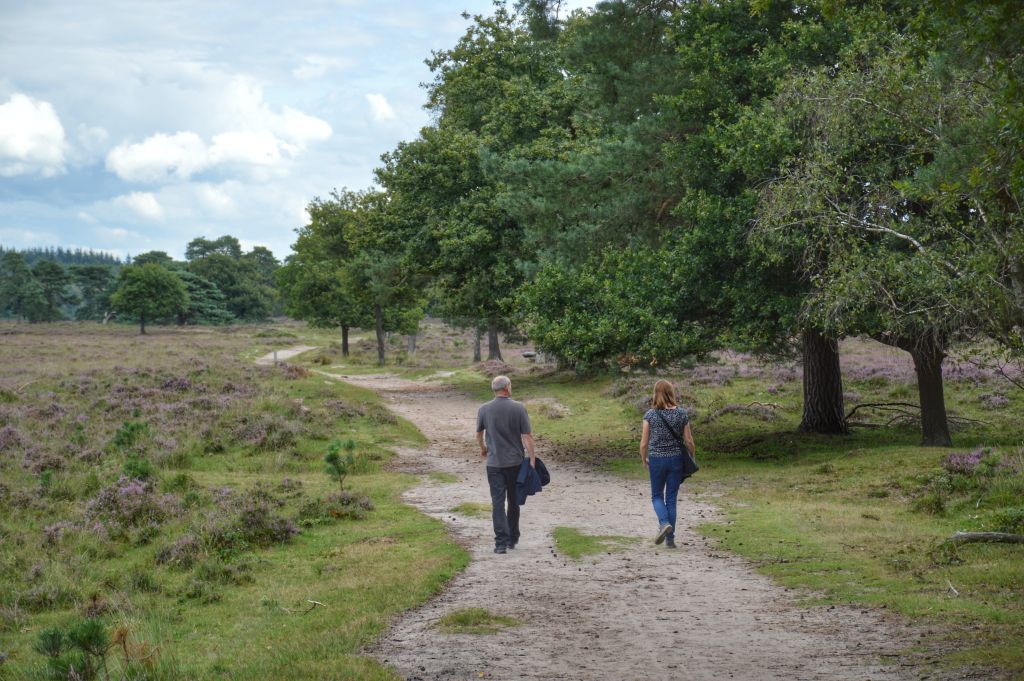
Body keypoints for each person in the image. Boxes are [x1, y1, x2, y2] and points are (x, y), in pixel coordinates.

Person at [477, 375, 535, 554]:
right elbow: (527, 436)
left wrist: (484, 449)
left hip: (494, 464)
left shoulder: (484, 409)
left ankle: (500, 543)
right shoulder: (519, 408)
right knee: (513, 501)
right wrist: (532, 460)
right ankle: (512, 538)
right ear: (507, 387)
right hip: (515, 463)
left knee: (497, 502)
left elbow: (479, 433)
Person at [639, 379, 696, 549]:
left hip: (656, 460)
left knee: (657, 496)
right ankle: (670, 540)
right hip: (676, 460)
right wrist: (692, 456)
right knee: (671, 499)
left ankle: (664, 523)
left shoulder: (650, 415)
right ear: (671, 393)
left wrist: (643, 458)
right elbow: (689, 441)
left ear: (655, 394)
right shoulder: (682, 414)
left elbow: (644, 443)